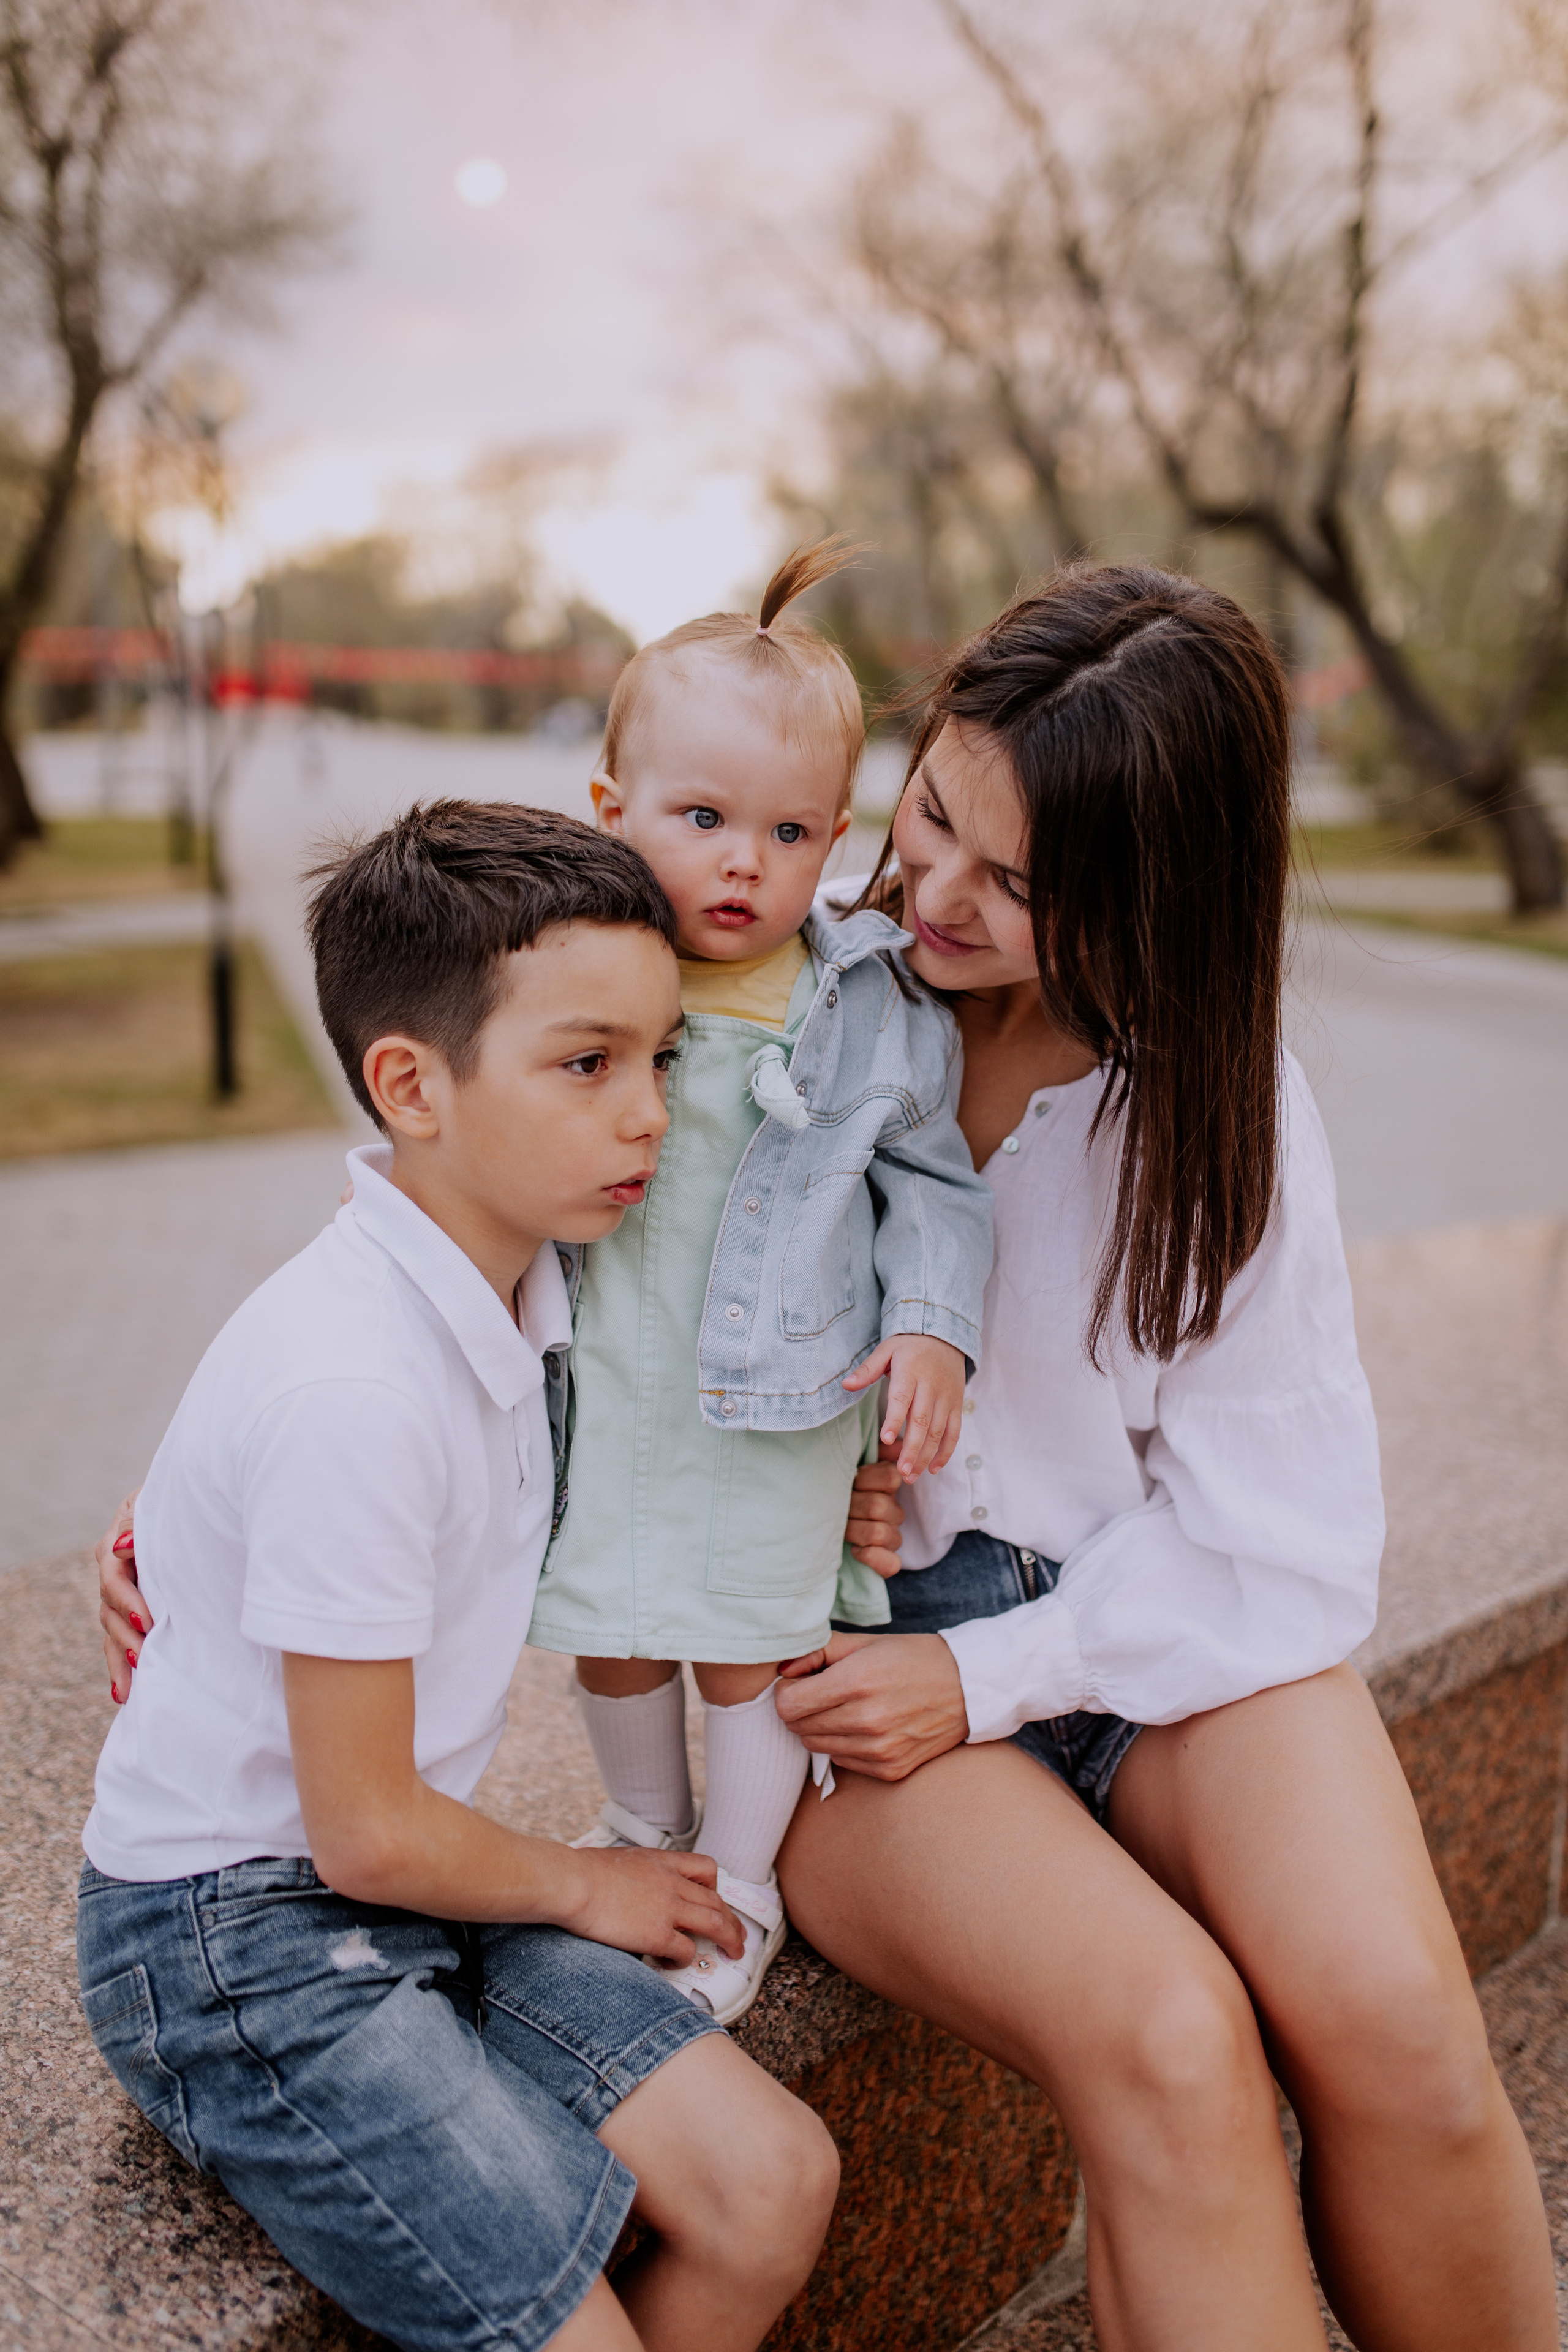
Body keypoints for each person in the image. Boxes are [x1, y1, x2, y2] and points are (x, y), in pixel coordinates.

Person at [765, 567, 1558, 2349]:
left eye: (1023, 885)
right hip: (835, 1660)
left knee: (1405, 2036)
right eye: (936, 810)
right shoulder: (769, 988)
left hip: (1137, 1615)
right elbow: (498, 1209)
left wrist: (998, 1674)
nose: (937, 895)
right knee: (1176, 2041)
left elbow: (1282, 1550)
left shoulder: (1219, 1098)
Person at [80, 802, 839, 2352]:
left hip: (410, 1880)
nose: (651, 1117)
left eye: (662, 1059)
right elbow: (358, 1829)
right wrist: (591, 1883)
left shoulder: (538, 1270)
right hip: (235, 1941)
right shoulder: (352, 1386)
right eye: (586, 1064)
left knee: (773, 2182)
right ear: (410, 1084)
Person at [521, 538, 992, 2025]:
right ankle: (645, 1825)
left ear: (834, 835)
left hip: (781, 1390)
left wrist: (930, 1333)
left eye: (789, 832)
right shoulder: (579, 970)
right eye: (703, 818)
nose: (745, 861)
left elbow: (932, 1188)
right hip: (613, 1361)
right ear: (613, 813)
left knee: (743, 1637)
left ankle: (735, 1882)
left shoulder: (862, 1001)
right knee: (610, 1608)